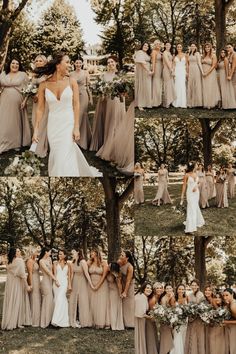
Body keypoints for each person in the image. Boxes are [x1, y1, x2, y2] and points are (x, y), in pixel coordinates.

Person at [32, 51, 100, 177]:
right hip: (53, 125)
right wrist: (36, 130)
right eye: (67, 62)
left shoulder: (72, 82)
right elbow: (40, 109)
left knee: (66, 152)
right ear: (58, 65)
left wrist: (76, 127)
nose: (70, 65)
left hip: (68, 123)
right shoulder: (44, 85)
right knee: (57, 154)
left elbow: (76, 105)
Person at [0, 58, 31, 154]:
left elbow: (27, 89)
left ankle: (16, 144)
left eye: (17, 64)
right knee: (4, 121)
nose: (15, 65)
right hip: (4, 100)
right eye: (13, 63)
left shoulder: (23, 75)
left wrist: (25, 101)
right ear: (9, 64)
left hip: (18, 102)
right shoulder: (3, 74)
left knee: (15, 122)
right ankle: (3, 143)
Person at [1, 248, 32, 330]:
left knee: (11, 300)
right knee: (17, 300)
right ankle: (17, 321)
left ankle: (11, 320)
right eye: (17, 251)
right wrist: (27, 286)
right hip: (17, 284)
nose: (19, 252)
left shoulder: (9, 261)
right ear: (14, 253)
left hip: (10, 284)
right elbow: (22, 275)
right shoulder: (19, 261)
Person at [70, 56, 92, 150]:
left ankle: (81, 142)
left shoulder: (85, 73)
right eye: (76, 63)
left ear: (82, 64)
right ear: (74, 64)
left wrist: (91, 98)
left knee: (81, 115)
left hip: (83, 95)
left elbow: (89, 87)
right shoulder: (70, 74)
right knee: (74, 116)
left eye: (80, 63)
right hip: (73, 96)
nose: (78, 64)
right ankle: (80, 139)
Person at [29, 54, 49, 158]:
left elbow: (49, 87)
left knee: (42, 124)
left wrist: (38, 94)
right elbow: (31, 87)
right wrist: (32, 94)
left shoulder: (48, 74)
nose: (38, 62)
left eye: (40, 61)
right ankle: (35, 143)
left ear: (45, 62)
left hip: (44, 101)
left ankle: (40, 148)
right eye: (36, 61)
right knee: (34, 122)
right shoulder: (34, 74)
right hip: (35, 102)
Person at [69, 249, 93, 328]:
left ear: (78, 253)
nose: (72, 254)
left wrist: (91, 285)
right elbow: (72, 274)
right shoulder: (73, 262)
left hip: (82, 282)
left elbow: (86, 274)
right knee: (73, 300)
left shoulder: (83, 262)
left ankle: (84, 320)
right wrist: (70, 284)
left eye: (73, 252)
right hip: (75, 282)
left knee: (82, 300)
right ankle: (73, 318)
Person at [88, 249, 110, 328]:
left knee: (101, 303)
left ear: (96, 253)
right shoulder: (90, 263)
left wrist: (97, 286)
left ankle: (100, 322)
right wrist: (91, 284)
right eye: (91, 252)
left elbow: (104, 276)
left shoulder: (103, 263)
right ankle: (93, 321)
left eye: (92, 252)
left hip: (101, 285)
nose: (91, 253)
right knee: (92, 303)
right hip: (91, 284)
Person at [181, 162, 205, 234]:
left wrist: (196, 186)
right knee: (191, 208)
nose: (197, 166)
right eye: (196, 165)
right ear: (193, 166)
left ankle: (196, 221)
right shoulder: (187, 175)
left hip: (196, 193)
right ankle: (190, 228)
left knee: (194, 207)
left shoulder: (196, 173)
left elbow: (199, 182)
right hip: (190, 193)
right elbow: (184, 186)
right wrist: (182, 195)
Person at [38, 247, 58, 328]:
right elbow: (47, 271)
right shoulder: (41, 261)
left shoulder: (49, 259)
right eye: (49, 251)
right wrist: (56, 279)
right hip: (45, 282)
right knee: (47, 299)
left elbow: (52, 269)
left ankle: (51, 319)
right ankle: (45, 321)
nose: (50, 253)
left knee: (51, 300)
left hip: (50, 281)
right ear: (46, 252)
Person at [184, 280, 206, 354]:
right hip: (191, 319)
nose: (194, 286)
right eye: (192, 285)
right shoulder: (189, 295)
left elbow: (201, 308)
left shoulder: (200, 294)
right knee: (192, 337)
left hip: (198, 319)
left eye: (195, 285)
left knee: (198, 337)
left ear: (198, 286)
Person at [51, 250, 71, 327]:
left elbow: (69, 275)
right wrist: (56, 281)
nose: (59, 255)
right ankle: (62, 319)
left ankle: (56, 320)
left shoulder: (68, 264)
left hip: (64, 283)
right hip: (57, 283)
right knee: (57, 300)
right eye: (59, 254)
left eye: (61, 254)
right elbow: (54, 273)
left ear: (64, 255)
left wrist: (69, 284)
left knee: (60, 298)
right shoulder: (55, 263)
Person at [135, 282, 153, 354]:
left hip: (140, 319)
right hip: (139, 320)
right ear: (143, 288)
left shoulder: (142, 296)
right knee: (140, 336)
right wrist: (151, 317)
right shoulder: (141, 297)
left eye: (150, 288)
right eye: (147, 288)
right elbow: (141, 313)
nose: (149, 290)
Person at [170, 284, 188, 354]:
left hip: (185, 322)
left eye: (182, 289)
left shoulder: (186, 297)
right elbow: (172, 311)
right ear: (177, 290)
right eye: (179, 289)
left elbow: (188, 309)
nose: (181, 291)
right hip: (177, 323)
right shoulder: (173, 299)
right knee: (177, 338)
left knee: (183, 338)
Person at [119, 250, 135, 328]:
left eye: (122, 255)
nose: (120, 256)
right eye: (121, 255)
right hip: (122, 283)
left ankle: (130, 323)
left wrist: (125, 291)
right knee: (123, 303)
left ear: (127, 258)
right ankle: (124, 322)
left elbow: (128, 280)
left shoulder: (130, 267)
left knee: (129, 304)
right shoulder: (120, 263)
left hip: (130, 285)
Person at [202, 43, 220, 109]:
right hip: (203, 73)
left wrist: (207, 73)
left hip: (210, 73)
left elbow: (213, 66)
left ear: (210, 48)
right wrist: (203, 72)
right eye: (206, 47)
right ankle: (205, 102)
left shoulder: (213, 55)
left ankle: (210, 103)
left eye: (208, 47)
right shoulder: (203, 56)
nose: (207, 48)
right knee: (205, 87)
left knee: (210, 87)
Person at [135, 42, 153, 110]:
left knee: (147, 86)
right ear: (142, 46)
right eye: (145, 45)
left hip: (147, 71)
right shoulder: (140, 52)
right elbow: (142, 63)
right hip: (143, 71)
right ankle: (140, 104)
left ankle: (147, 102)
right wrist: (148, 71)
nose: (146, 47)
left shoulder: (146, 54)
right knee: (142, 86)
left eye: (147, 46)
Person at [107, 262, 124, 330]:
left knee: (114, 308)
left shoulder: (116, 275)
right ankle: (111, 323)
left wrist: (120, 294)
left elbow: (119, 285)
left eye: (110, 266)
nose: (108, 266)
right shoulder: (109, 273)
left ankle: (114, 324)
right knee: (111, 307)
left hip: (115, 292)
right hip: (110, 291)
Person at [27, 247, 41, 327]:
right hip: (33, 280)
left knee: (37, 297)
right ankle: (34, 319)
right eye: (36, 252)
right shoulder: (29, 261)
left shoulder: (35, 260)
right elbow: (30, 273)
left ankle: (38, 318)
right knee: (34, 297)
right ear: (32, 253)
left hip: (37, 279)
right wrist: (31, 284)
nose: (37, 253)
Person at [187, 43, 203, 107]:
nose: (192, 47)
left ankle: (198, 102)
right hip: (191, 70)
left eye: (194, 46)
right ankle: (191, 102)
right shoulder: (188, 54)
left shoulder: (197, 53)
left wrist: (202, 71)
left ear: (196, 47)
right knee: (191, 84)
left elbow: (199, 63)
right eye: (191, 46)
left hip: (196, 69)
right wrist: (187, 72)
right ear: (190, 47)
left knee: (197, 84)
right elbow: (187, 64)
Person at [173, 44, 187, 108]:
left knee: (182, 85)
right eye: (178, 47)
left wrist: (187, 72)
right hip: (177, 71)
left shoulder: (185, 55)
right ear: (176, 48)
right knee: (177, 85)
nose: (179, 48)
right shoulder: (175, 56)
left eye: (180, 47)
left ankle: (183, 102)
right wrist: (173, 72)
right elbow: (173, 65)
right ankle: (176, 102)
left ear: (182, 48)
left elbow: (187, 64)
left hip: (183, 71)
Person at [162, 42, 176, 108]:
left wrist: (172, 68)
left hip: (170, 69)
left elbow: (172, 61)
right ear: (165, 46)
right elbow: (167, 62)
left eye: (169, 45)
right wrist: (171, 70)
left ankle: (170, 101)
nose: (168, 46)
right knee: (167, 85)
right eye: (166, 45)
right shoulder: (164, 53)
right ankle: (167, 102)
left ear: (170, 46)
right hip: (167, 70)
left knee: (170, 85)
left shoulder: (169, 53)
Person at [223, 288, 236, 354]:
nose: (225, 297)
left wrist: (226, 322)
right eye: (224, 295)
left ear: (232, 294)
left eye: (227, 295)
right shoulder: (231, 303)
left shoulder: (233, 306)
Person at [151, 40, 163, 107]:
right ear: (154, 45)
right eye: (156, 44)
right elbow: (153, 62)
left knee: (159, 84)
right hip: (156, 68)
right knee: (156, 83)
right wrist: (153, 70)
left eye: (159, 44)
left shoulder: (160, 52)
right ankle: (155, 102)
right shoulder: (154, 52)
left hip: (160, 68)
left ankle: (159, 101)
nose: (158, 45)